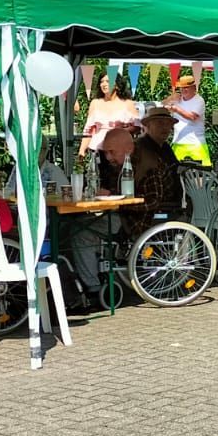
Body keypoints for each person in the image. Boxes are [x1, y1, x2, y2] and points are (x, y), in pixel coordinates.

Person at [63, 128, 138, 304]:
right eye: (106, 153)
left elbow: (141, 199)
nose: (108, 157)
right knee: (75, 225)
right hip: (118, 215)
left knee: (80, 232)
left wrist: (111, 194)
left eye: (112, 152)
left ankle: (93, 288)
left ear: (128, 149)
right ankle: (84, 282)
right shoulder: (114, 167)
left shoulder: (138, 165)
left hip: (130, 219)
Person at [132, 107, 185, 219]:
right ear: (149, 125)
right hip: (153, 205)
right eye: (160, 123)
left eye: (168, 124)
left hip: (171, 203)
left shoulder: (165, 147)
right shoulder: (140, 146)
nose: (165, 127)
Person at [78, 73, 140, 161]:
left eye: (107, 81)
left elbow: (137, 126)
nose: (104, 84)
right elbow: (88, 130)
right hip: (97, 150)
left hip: (120, 149)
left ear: (117, 85)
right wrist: (82, 150)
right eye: (101, 81)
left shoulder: (127, 103)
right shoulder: (95, 103)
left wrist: (119, 132)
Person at [161, 74, 209, 166]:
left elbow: (192, 117)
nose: (183, 90)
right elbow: (162, 106)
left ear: (194, 87)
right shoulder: (177, 99)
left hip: (196, 143)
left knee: (199, 173)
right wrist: (170, 99)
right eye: (181, 88)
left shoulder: (199, 100)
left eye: (186, 87)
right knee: (174, 171)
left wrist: (176, 109)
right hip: (178, 142)